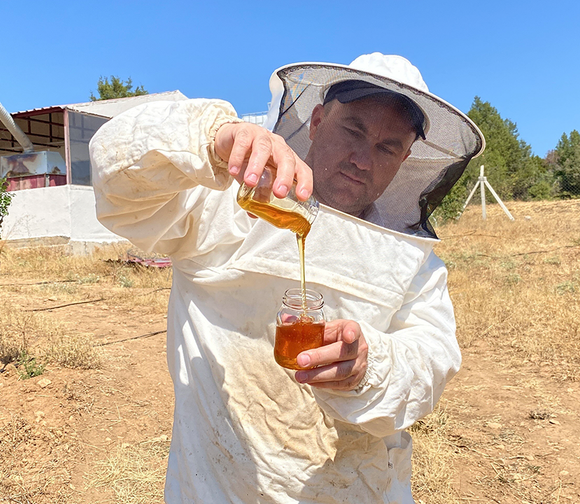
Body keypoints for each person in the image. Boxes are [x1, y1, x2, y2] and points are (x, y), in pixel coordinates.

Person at [90, 53, 484, 503]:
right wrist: (211, 139)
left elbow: (431, 361)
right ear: (316, 122)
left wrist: (369, 366)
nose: (362, 159)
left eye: (387, 148)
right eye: (353, 131)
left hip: (357, 487)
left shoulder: (414, 261)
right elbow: (115, 174)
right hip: (219, 485)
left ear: (405, 159)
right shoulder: (224, 204)